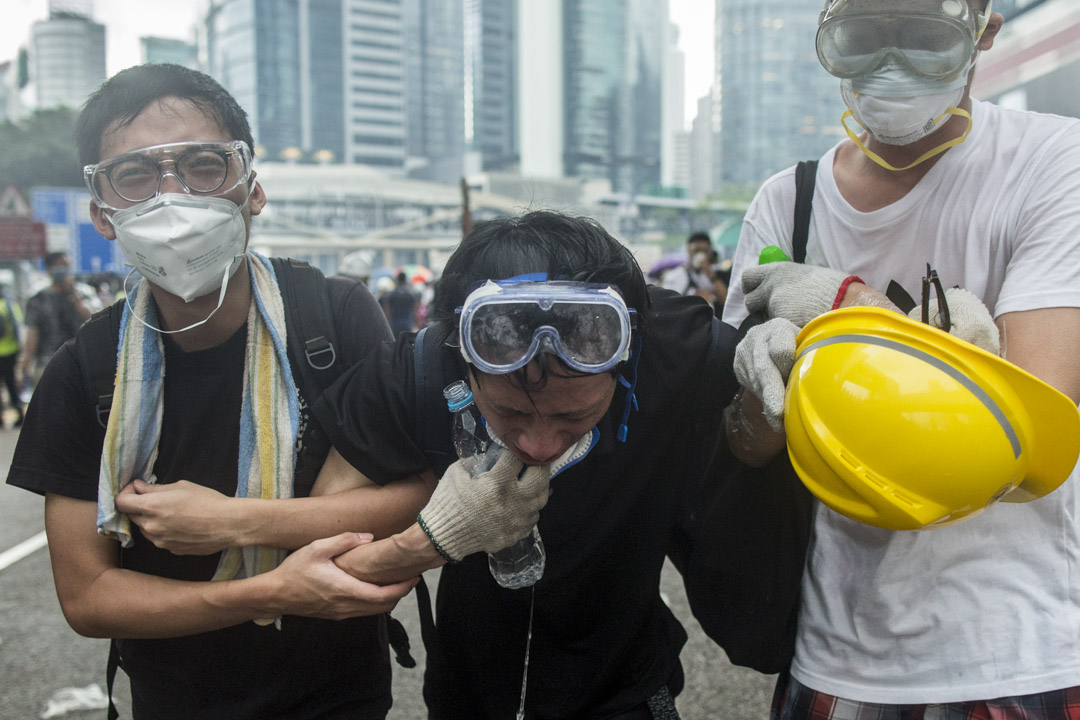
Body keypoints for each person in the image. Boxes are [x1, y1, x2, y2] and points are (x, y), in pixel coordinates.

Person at [5, 63, 424, 720]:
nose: (173, 199)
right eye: (136, 176)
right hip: (176, 702)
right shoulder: (84, 371)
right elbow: (88, 597)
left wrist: (230, 522)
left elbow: (413, 497)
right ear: (103, 214)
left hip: (339, 700)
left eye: (204, 165)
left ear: (252, 190)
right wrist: (271, 591)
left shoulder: (333, 320)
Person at [722, 1, 1080, 717]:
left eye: (923, 37)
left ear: (983, 33)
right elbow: (745, 446)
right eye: (862, 38)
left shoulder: (1054, 162)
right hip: (833, 651)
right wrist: (766, 393)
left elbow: (1021, 442)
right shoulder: (785, 202)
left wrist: (845, 308)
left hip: (1015, 651)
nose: (891, 66)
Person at [309, 211, 742, 719]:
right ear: (463, 360)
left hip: (625, 694)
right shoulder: (417, 370)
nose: (538, 445)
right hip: (465, 697)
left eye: (574, 414)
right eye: (509, 412)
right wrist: (433, 538)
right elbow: (315, 565)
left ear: (627, 359)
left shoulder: (678, 349)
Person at [21, 252, 94, 388]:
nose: (63, 270)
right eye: (58, 266)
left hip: (81, 363)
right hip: (47, 364)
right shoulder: (38, 299)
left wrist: (74, 295)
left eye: (66, 266)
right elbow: (32, 334)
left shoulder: (84, 293)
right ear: (49, 269)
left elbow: (94, 320)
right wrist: (26, 363)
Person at [0, 286, 24, 427]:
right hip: (11, 351)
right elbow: (18, 324)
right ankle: (20, 414)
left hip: (3, 352)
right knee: (11, 385)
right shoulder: (9, 304)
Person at [380, 270, 419, 337]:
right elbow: (415, 310)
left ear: (397, 280)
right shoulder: (410, 294)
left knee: (396, 344)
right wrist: (417, 323)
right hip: (407, 324)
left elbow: (387, 311)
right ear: (405, 280)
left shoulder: (391, 294)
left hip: (394, 325)